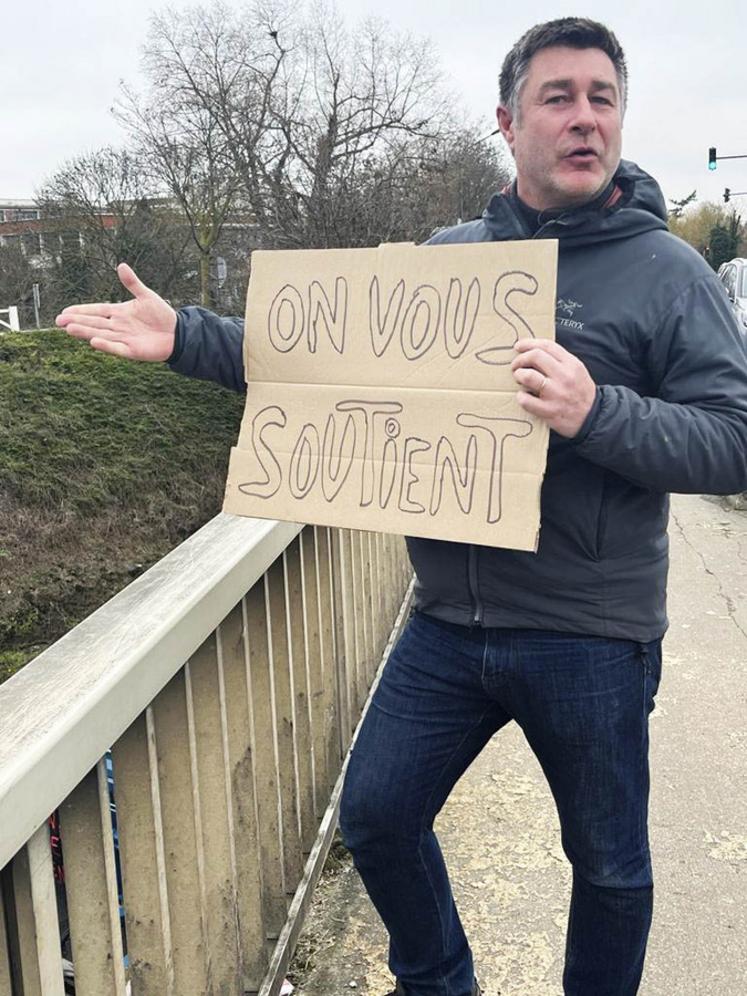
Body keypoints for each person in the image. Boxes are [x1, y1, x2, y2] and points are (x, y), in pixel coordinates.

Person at [56, 17, 747, 996]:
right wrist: (189, 339)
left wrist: (599, 412)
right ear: (509, 122)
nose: (585, 116)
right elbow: (326, 358)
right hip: (447, 622)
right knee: (376, 815)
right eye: (559, 96)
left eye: (604, 97)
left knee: (609, 866)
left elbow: (734, 440)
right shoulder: (450, 258)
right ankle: (440, 982)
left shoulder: (668, 275)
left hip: (591, 631)